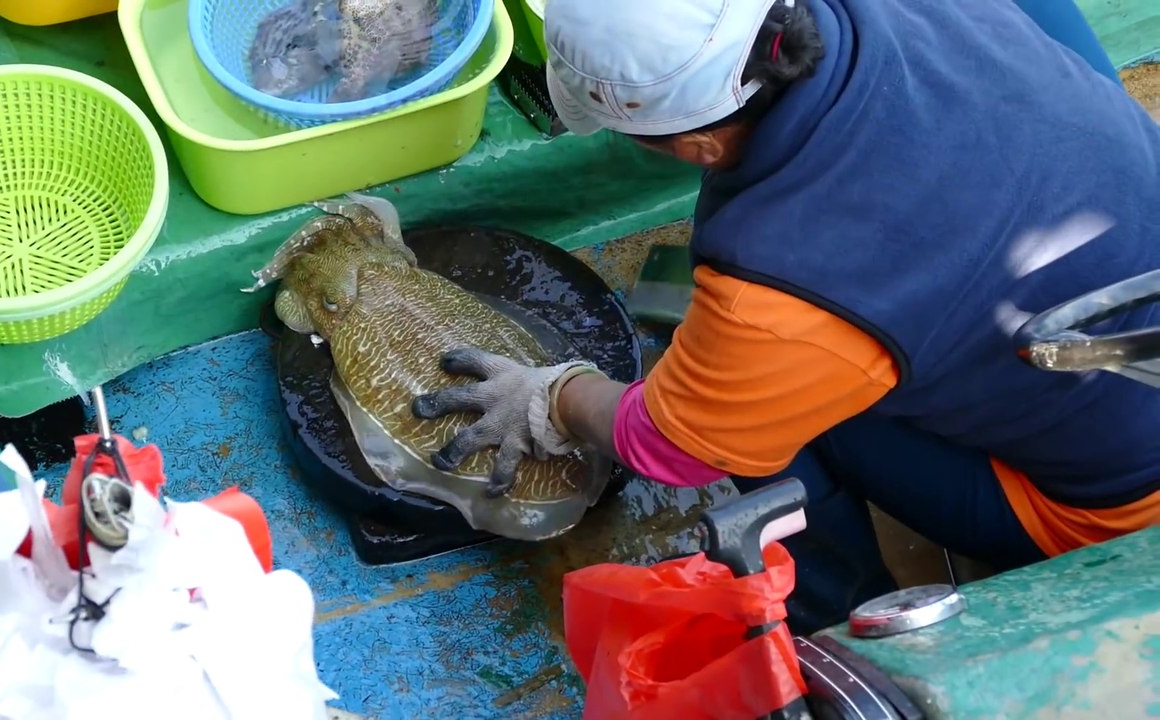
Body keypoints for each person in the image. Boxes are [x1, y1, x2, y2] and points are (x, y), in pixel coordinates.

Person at [410, 0, 1160, 633]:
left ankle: (838, 615)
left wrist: (554, 397)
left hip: (1111, 513)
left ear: (699, 144)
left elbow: (669, 446)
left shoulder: (785, 290)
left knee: (747, 422)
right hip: (1111, 314)